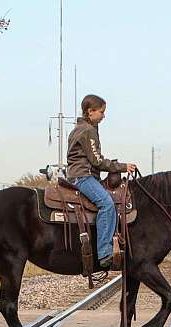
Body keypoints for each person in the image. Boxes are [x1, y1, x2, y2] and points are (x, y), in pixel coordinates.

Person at [66, 94, 136, 269]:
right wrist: (122, 167)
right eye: (102, 112)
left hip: (83, 174)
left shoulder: (81, 128)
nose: (104, 115)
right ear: (90, 111)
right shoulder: (88, 131)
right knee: (106, 204)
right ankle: (105, 253)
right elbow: (97, 161)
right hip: (83, 176)